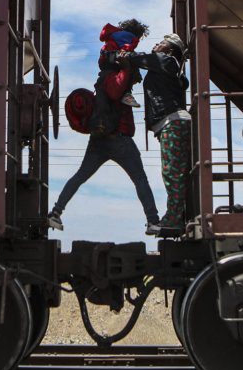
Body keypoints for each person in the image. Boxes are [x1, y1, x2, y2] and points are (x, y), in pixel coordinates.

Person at [48, 72, 161, 237]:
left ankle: (56, 213)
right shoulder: (115, 79)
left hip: (98, 140)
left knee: (80, 176)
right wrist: (127, 69)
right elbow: (116, 91)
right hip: (120, 139)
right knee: (140, 179)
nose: (137, 79)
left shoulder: (101, 85)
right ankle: (153, 221)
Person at [123, 33, 192, 231]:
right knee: (173, 172)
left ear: (169, 50)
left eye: (161, 43)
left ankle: (173, 220)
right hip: (171, 122)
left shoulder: (165, 60)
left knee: (172, 173)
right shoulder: (169, 66)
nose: (156, 44)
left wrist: (122, 56)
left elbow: (140, 58)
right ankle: (175, 216)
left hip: (172, 122)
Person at [98, 19, 147, 110]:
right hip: (114, 62)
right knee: (130, 65)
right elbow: (125, 52)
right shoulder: (130, 40)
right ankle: (127, 94)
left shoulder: (114, 37)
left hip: (106, 63)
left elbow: (106, 51)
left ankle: (126, 94)